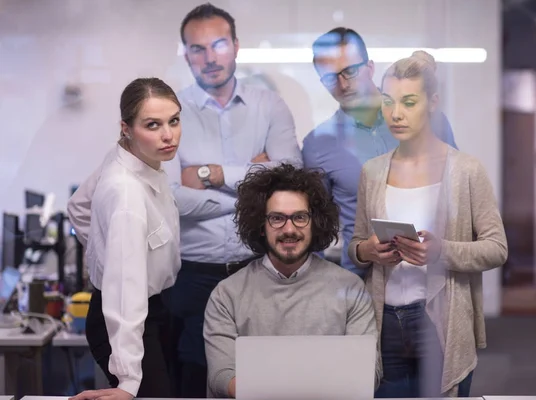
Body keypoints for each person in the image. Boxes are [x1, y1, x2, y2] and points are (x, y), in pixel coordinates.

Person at [348, 50, 508, 398]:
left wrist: (441, 252)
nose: (396, 113)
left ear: (433, 102)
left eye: (409, 102)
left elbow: (497, 248)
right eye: (388, 101)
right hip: (385, 319)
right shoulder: (372, 171)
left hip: (440, 319)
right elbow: (356, 242)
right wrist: (368, 250)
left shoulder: (466, 170)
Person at [162, 3, 303, 397]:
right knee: (191, 378)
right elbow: (173, 198)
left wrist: (212, 174)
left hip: (258, 269)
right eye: (197, 49)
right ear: (186, 53)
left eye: (219, 44)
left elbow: (290, 174)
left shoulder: (269, 106)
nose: (210, 58)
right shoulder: (172, 113)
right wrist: (255, 189)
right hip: (192, 275)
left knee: (264, 379)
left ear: (237, 46)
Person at [203, 163, 380, 398]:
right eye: (277, 218)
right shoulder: (227, 294)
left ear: (315, 222)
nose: (289, 229)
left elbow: (368, 374)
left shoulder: (350, 289)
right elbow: (222, 377)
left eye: (299, 217)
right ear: (261, 225)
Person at [303, 27, 457, 277]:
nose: (343, 85)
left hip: (432, 279)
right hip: (363, 283)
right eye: (330, 78)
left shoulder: (429, 120)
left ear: (371, 67)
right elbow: (315, 229)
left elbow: (458, 194)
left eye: (350, 71)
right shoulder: (318, 145)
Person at [67, 77, 183, 400]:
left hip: (155, 308)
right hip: (125, 316)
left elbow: (77, 207)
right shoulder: (127, 193)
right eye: (152, 124)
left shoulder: (132, 156)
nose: (168, 134)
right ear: (126, 128)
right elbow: (124, 291)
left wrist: (107, 250)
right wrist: (128, 381)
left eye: (174, 120)